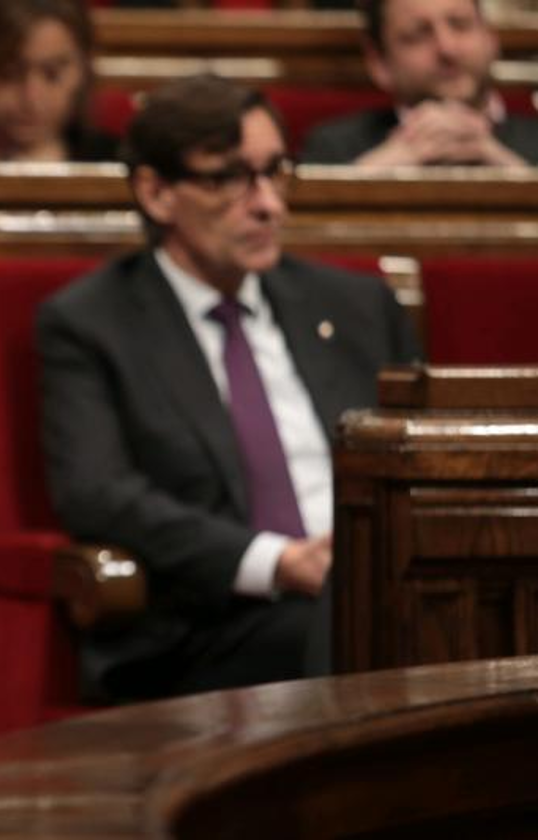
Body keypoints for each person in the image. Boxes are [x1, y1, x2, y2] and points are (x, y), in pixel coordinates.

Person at [38, 75, 421, 701]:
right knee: (336, 627)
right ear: (156, 192)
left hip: (375, 589)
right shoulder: (91, 323)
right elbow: (97, 493)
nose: (269, 203)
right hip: (212, 625)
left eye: (276, 172)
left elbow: (422, 459)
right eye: (230, 179)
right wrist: (277, 562)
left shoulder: (357, 306)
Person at [300, 0, 538, 166]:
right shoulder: (333, 146)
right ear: (379, 61)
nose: (447, 48)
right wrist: (385, 165)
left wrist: (504, 166)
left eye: (460, 24)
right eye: (418, 35)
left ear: (490, 37)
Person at [0, 0, 117, 162]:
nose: (31, 99)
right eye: (8, 74)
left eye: (51, 74)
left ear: (83, 71)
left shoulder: (116, 163)